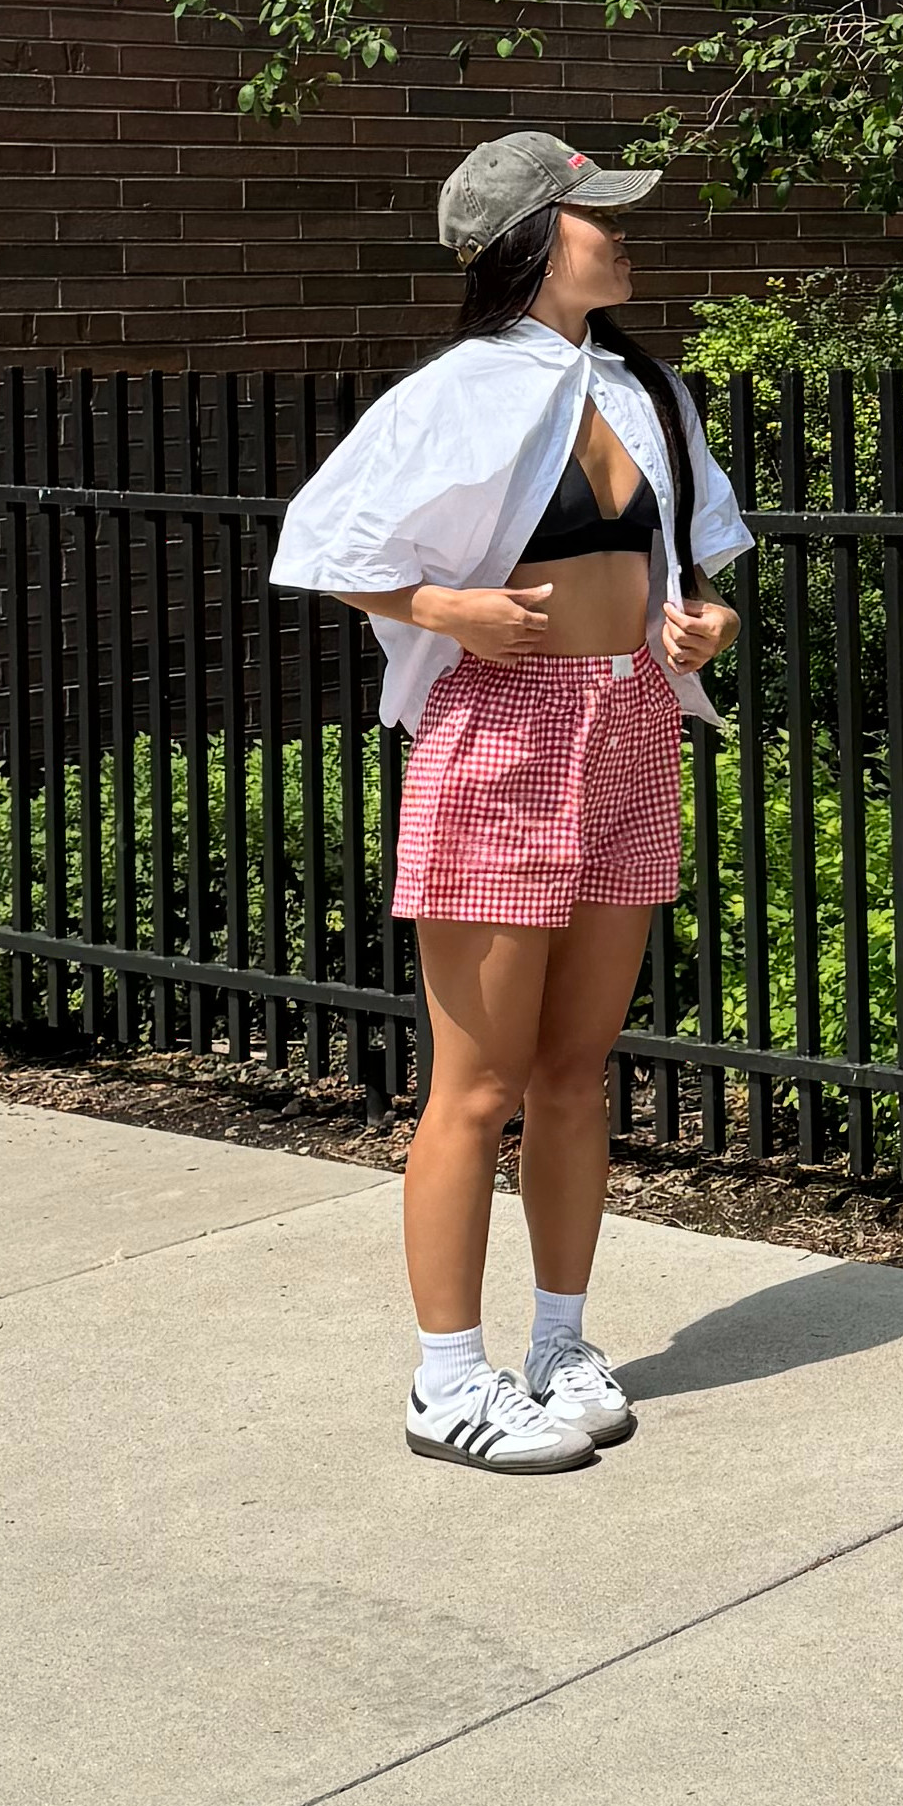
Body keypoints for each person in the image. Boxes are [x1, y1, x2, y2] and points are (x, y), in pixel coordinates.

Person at [271, 132, 748, 1475]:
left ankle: (558, 1344)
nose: (620, 230)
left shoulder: (641, 386)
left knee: (576, 1072)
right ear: (533, 238)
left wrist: (692, 627)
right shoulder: (456, 392)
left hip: (628, 722)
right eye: (595, 213)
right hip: (502, 735)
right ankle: (444, 1381)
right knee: (476, 1087)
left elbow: (675, 568)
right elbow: (325, 544)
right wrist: (438, 607)